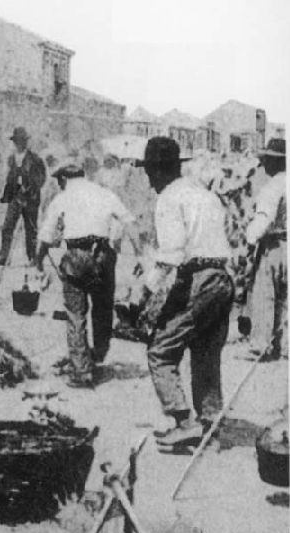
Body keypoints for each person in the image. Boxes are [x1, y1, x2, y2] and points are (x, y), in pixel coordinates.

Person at [132, 137, 234, 450]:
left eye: (150, 174)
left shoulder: (169, 198)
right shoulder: (206, 195)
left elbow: (171, 256)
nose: (149, 182)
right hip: (223, 279)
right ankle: (209, 426)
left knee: (160, 351)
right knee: (206, 354)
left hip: (199, 279)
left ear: (159, 171)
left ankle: (184, 422)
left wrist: (143, 293)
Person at [36, 164, 137, 388]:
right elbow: (129, 222)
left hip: (77, 255)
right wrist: (140, 254)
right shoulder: (104, 193)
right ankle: (98, 354)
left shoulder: (62, 198)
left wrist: (39, 260)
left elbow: (45, 235)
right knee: (102, 308)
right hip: (103, 254)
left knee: (75, 313)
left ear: (63, 179)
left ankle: (82, 371)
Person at [245, 138, 287, 360]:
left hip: (274, 244)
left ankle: (261, 344)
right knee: (286, 298)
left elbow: (264, 219)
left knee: (265, 294)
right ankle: (285, 345)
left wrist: (250, 239)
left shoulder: (273, 186)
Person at [0, 127, 46, 265]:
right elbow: (9, 176)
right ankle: (4, 256)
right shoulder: (11, 158)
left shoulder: (35, 159)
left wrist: (30, 189)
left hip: (30, 199)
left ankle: (32, 257)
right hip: (14, 197)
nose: (18, 144)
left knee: (30, 229)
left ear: (25, 142)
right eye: (16, 141)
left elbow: (41, 178)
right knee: (7, 226)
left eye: (21, 141)